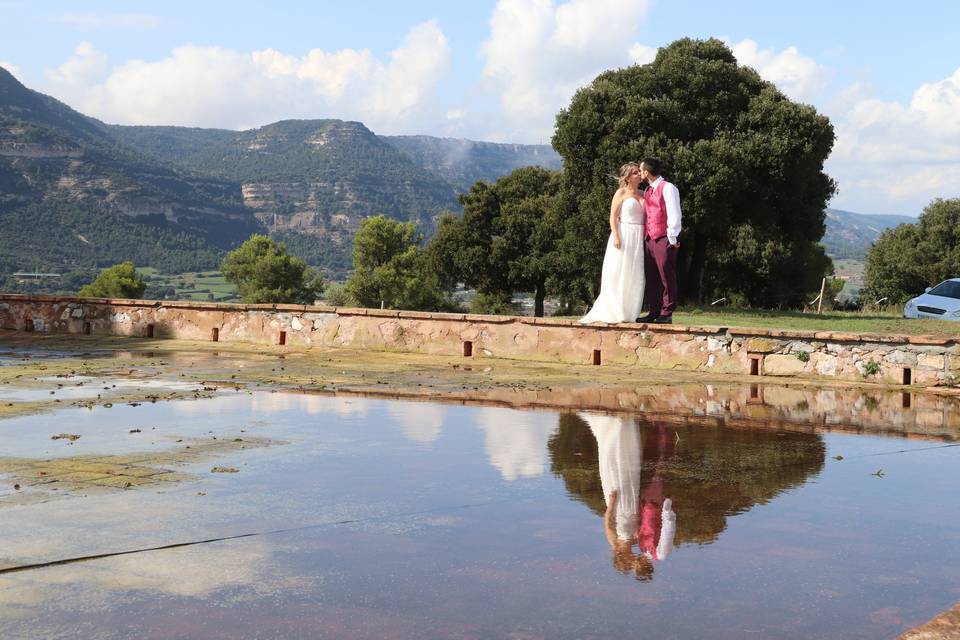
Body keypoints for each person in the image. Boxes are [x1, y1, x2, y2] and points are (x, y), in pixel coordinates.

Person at [579, 163, 646, 324]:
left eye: (639, 172)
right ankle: (615, 310)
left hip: (639, 236)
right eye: (635, 173)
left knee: (635, 273)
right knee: (619, 270)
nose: (639, 174)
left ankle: (630, 311)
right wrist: (616, 235)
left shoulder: (644, 193)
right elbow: (613, 216)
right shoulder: (621, 192)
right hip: (624, 233)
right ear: (628, 177)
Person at [638, 157, 681, 324]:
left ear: (647, 172)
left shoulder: (668, 188)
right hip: (649, 239)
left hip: (663, 238)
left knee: (666, 275)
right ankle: (654, 311)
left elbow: (674, 214)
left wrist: (671, 237)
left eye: (641, 170)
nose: (640, 173)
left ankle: (667, 312)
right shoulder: (648, 189)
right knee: (652, 276)